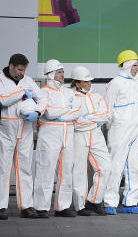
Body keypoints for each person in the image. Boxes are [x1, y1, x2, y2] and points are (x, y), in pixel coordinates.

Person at [33, 59, 83, 218]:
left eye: (62, 71)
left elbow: (78, 111)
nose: (63, 74)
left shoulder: (69, 92)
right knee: (45, 169)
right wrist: (66, 111)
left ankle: (63, 207)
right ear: (51, 74)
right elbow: (48, 113)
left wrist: (60, 114)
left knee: (67, 170)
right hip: (49, 133)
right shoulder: (43, 92)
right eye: (59, 72)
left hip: (67, 133)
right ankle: (41, 207)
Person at [103, 50, 138, 214]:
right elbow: (108, 110)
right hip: (120, 130)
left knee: (133, 166)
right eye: (135, 65)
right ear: (127, 65)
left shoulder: (136, 82)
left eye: (137, 65)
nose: (137, 68)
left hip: (137, 129)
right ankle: (109, 202)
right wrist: (116, 127)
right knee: (116, 165)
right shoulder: (115, 83)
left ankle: (130, 202)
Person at [0, 53, 40, 219]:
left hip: (25, 128)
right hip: (6, 129)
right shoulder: (1, 79)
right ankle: (1, 207)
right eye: (19, 70)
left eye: (23, 70)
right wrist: (23, 92)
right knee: (3, 168)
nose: (21, 73)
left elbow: (42, 97)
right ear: (11, 66)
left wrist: (38, 111)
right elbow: (3, 99)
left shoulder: (28, 80)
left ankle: (26, 206)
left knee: (25, 167)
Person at [70, 66, 110, 216]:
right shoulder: (71, 97)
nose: (89, 83)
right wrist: (94, 119)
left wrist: (87, 119)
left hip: (96, 135)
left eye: (89, 81)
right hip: (79, 136)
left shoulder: (97, 96)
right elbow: (75, 122)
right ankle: (80, 205)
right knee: (79, 170)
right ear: (77, 83)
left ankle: (94, 200)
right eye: (85, 81)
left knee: (105, 167)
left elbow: (104, 116)